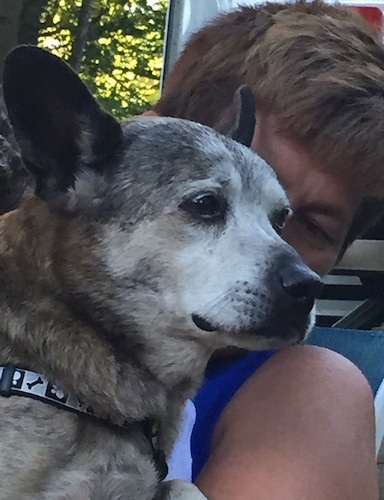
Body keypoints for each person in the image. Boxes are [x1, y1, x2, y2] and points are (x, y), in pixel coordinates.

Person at [145, 1, 384, 498]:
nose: (269, 249)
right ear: (145, 135)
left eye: (313, 228)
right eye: (215, 201)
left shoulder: (310, 399)